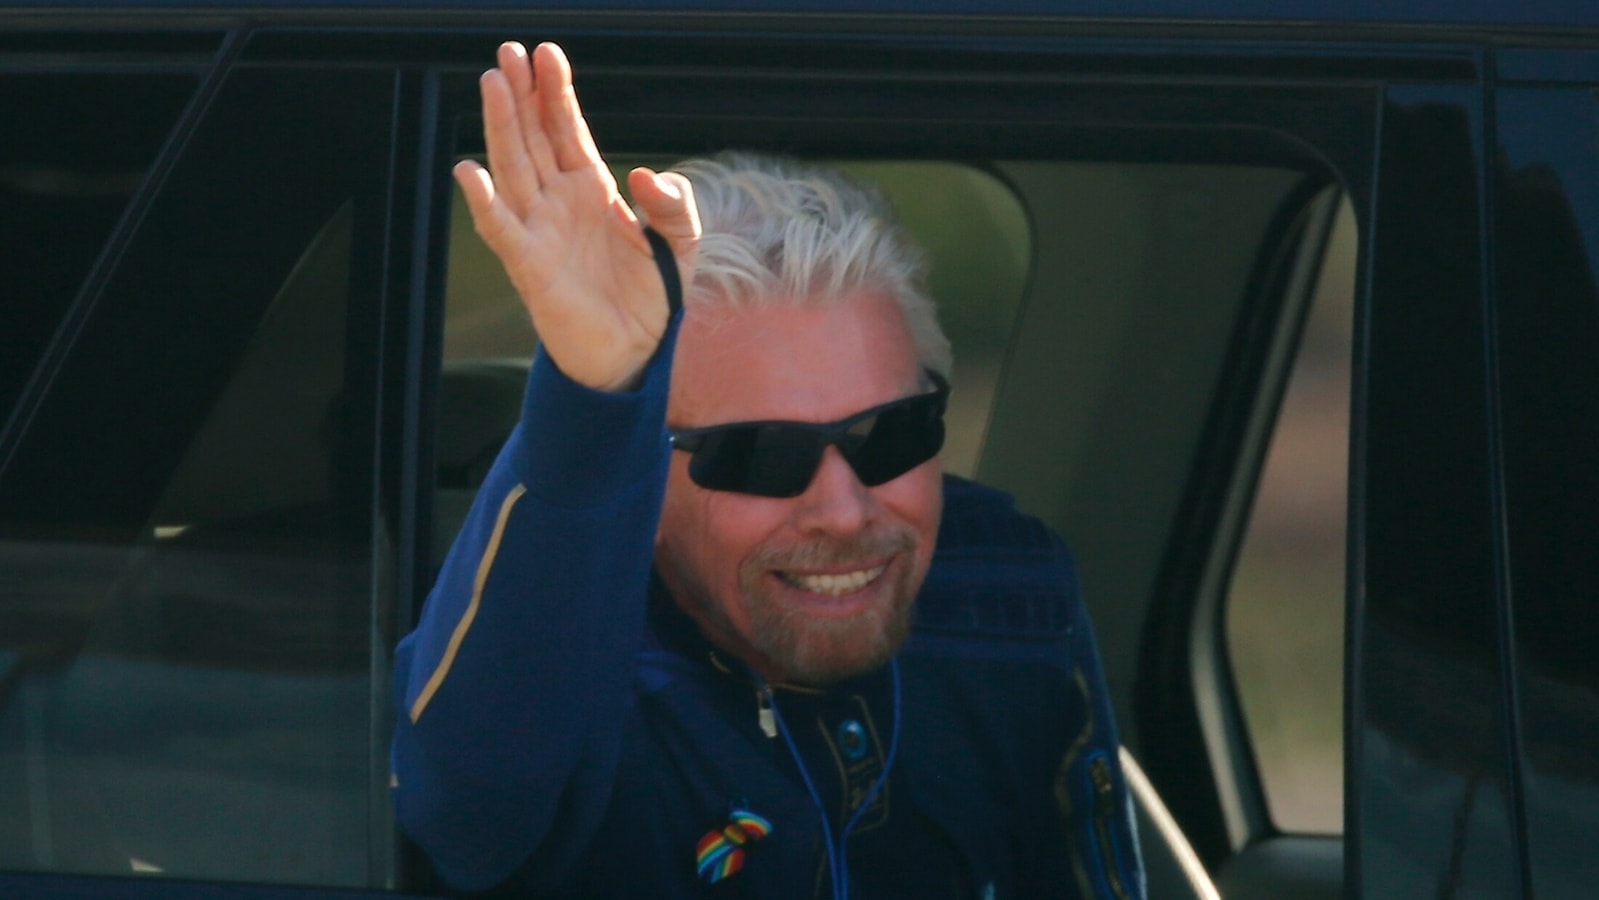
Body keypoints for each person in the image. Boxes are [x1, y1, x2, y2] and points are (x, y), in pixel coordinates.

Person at [391, 40, 1145, 900]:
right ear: (645, 477)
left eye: (889, 434)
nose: (843, 509)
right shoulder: (565, 644)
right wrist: (596, 395)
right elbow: (464, 812)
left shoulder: (1006, 579)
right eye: (759, 455)